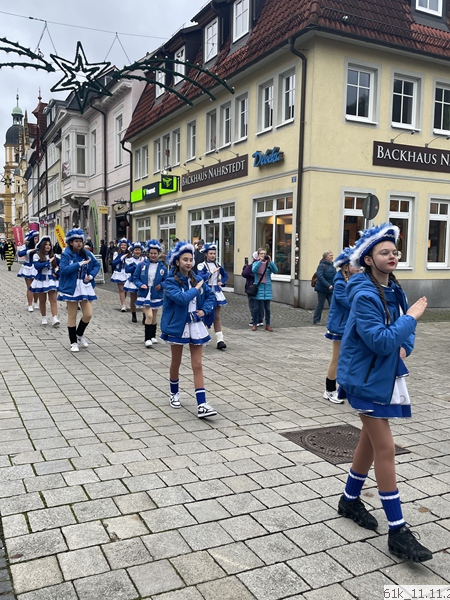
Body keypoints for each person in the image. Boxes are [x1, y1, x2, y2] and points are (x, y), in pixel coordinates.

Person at [336, 223, 432, 563]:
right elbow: (379, 340)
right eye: (384, 252)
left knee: (370, 440)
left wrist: (405, 345)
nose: (392, 256)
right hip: (364, 378)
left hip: (382, 374)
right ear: (368, 259)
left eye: (394, 251)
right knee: (386, 448)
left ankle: (349, 500)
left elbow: (401, 335)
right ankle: (397, 531)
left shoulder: (395, 288)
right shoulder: (363, 294)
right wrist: (411, 318)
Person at [160, 240, 217, 418]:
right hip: (178, 325)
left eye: (191, 259)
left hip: (195, 324)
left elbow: (211, 296)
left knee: (197, 364)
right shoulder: (170, 282)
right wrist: (196, 289)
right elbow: (182, 299)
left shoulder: (197, 279)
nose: (189, 263)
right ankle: (174, 393)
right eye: (185, 259)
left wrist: (204, 310)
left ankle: (202, 404)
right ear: (177, 261)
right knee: (176, 361)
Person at [323, 246, 359, 403]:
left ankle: (346, 389)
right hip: (339, 327)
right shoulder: (340, 283)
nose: (358, 268)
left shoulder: (352, 280)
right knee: (337, 358)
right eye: (355, 264)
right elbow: (347, 302)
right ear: (345, 267)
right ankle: (329, 390)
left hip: (349, 325)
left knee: (350, 358)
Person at [57, 228, 100, 352]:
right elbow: (63, 270)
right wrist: (79, 264)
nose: (79, 243)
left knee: (88, 314)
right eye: (76, 241)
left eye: (80, 241)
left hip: (85, 286)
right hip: (72, 286)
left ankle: (79, 334)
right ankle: (73, 342)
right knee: (72, 315)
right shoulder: (66, 254)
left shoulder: (86, 253)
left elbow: (97, 264)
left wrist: (91, 276)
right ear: (71, 242)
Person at [134, 239, 168, 347]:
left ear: (159, 254)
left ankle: (153, 336)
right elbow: (135, 278)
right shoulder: (141, 265)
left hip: (156, 293)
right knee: (149, 315)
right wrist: (140, 285)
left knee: (154, 315)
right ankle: (147, 338)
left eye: (155, 253)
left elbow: (167, 280)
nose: (153, 255)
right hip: (145, 293)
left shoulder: (162, 267)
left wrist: (161, 285)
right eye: (151, 253)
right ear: (148, 253)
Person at [197, 243, 229, 350]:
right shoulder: (201, 265)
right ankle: (202, 337)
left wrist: (222, 282)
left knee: (216, 316)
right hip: (205, 292)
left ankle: (220, 340)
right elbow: (200, 278)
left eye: (214, 254)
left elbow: (225, 275)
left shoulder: (218, 265)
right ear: (206, 254)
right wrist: (210, 272)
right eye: (210, 253)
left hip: (216, 292)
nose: (213, 255)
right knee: (203, 314)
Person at [30, 236, 60, 327]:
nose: (48, 246)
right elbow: (37, 266)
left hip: (51, 279)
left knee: (53, 299)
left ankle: (55, 318)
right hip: (41, 279)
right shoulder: (36, 256)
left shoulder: (54, 256)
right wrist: (48, 262)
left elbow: (61, 266)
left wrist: (57, 273)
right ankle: (44, 317)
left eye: (49, 245)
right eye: (46, 244)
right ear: (42, 245)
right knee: (42, 300)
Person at [251, 248, 278, 331]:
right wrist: (260, 261)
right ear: (258, 255)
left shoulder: (268, 264)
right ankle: (255, 324)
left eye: (264, 253)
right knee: (256, 308)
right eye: (261, 254)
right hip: (258, 287)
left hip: (267, 288)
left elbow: (276, 271)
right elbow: (254, 270)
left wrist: (271, 262)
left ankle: (268, 324)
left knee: (268, 309)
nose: (263, 255)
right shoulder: (256, 263)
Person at [17, 231, 40, 312]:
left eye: (37, 238)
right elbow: (20, 254)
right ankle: (30, 304)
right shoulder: (25, 246)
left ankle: (36, 302)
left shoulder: (39, 246)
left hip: (37, 267)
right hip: (28, 268)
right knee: (30, 287)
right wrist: (29, 251)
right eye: (35, 238)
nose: (37, 240)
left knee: (36, 286)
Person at [124, 242, 145, 323]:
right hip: (133, 280)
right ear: (133, 251)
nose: (137, 251)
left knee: (143, 298)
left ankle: (144, 315)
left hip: (142, 280)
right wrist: (135, 267)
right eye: (136, 250)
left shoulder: (144, 259)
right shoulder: (129, 260)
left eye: (139, 250)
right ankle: (134, 314)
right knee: (133, 298)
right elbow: (127, 270)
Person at [313, 250, 336, 325]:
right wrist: (328, 285)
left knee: (332, 304)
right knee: (320, 304)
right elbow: (320, 276)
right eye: (330, 255)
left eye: (332, 255)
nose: (332, 257)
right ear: (326, 257)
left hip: (330, 289)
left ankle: (333, 320)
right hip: (322, 288)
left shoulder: (333, 265)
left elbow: (335, 276)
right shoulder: (321, 265)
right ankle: (316, 319)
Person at [242, 252, 264, 327]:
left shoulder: (253, 265)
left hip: (252, 286)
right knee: (260, 303)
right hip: (261, 286)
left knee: (253, 303)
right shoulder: (263, 264)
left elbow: (244, 274)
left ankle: (255, 320)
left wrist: (245, 267)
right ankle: (260, 319)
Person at [110, 238, 130, 312]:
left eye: (125, 245)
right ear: (120, 246)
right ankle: (123, 305)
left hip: (127, 273)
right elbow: (114, 263)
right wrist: (121, 258)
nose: (123, 246)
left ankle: (123, 302)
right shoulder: (116, 253)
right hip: (119, 273)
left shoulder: (129, 254)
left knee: (125, 289)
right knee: (121, 289)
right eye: (122, 245)